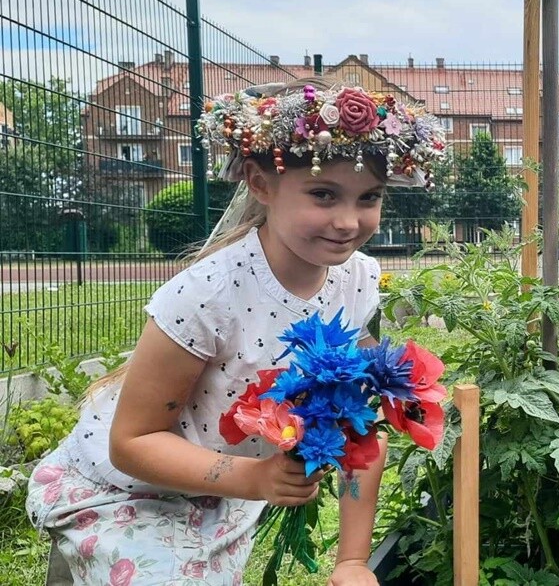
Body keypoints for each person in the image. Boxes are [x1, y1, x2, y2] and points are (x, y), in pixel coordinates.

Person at [25, 76, 447, 585]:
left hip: (217, 490)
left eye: (369, 197)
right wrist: (255, 476)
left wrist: (353, 561)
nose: (347, 221)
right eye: (323, 193)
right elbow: (132, 441)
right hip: (119, 487)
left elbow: (356, 425)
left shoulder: (357, 280)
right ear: (260, 182)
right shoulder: (207, 294)